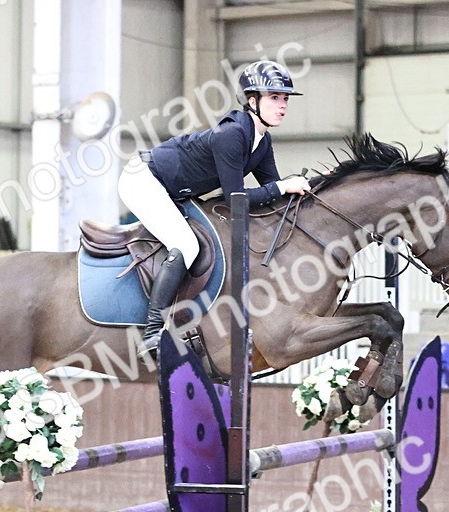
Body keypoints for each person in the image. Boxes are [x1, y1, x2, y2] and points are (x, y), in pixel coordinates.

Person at [118, 59, 312, 357]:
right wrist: (284, 186)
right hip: (144, 180)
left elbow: (273, 194)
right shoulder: (232, 134)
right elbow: (237, 199)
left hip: (176, 190)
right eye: (274, 97)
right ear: (252, 101)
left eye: (285, 98)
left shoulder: (261, 141)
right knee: (186, 244)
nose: (283, 105)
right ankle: (153, 331)